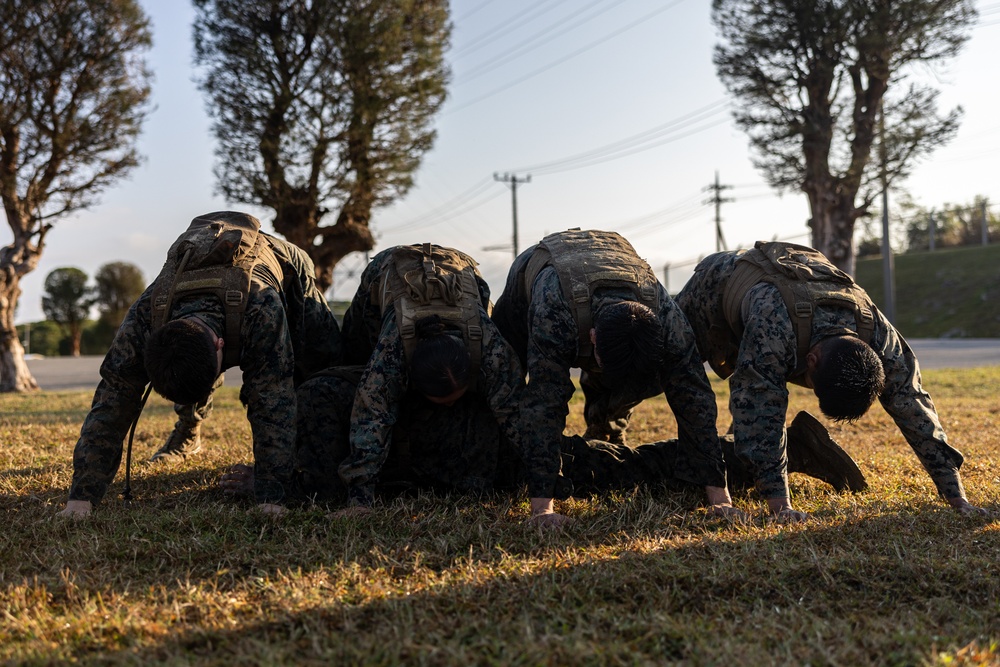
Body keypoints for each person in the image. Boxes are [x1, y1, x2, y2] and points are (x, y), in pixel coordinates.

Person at [222, 369, 862, 514]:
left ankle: (770, 452)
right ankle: (772, 450)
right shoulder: (326, 392)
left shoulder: (314, 413)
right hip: (487, 447)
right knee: (625, 468)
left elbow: (338, 481)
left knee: (629, 472)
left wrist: (278, 486)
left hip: (495, 456)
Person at [675, 240, 987, 520]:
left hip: (775, 306)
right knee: (666, 365)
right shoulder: (775, 327)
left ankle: (743, 457)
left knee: (756, 393)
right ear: (809, 362)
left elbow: (914, 406)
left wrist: (956, 496)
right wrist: (780, 504)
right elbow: (758, 405)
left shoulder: (879, 335)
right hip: (717, 285)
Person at [58, 211, 342, 518]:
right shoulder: (145, 315)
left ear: (223, 346)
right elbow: (112, 400)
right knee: (181, 367)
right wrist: (81, 499)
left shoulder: (261, 309)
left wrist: (271, 494)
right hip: (208, 297)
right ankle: (188, 434)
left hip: (287, 268)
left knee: (318, 368)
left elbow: (273, 397)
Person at [490, 229, 737, 516]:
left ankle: (604, 434)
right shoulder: (553, 312)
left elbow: (694, 399)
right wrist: (543, 508)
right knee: (506, 373)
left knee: (664, 384)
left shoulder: (668, 318)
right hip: (534, 273)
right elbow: (545, 403)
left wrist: (720, 498)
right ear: (591, 336)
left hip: (611, 268)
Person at [332, 242, 572, 526]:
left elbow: (523, 421)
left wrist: (542, 505)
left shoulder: (492, 352)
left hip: (461, 271)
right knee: (357, 360)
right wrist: (360, 501)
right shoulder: (390, 358)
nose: (452, 406)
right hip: (388, 271)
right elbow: (370, 418)